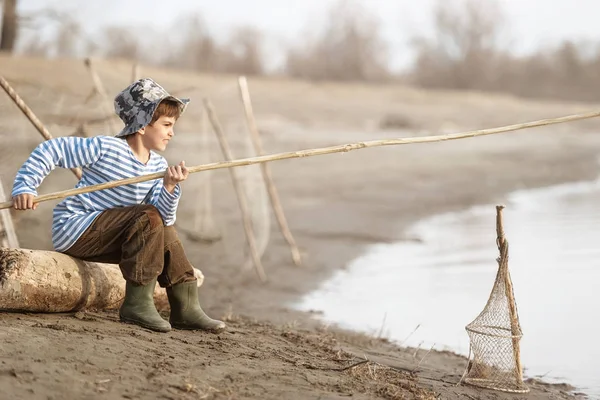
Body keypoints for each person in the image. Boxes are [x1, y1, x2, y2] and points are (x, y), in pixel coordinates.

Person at [11, 78, 226, 333]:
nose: (172, 132)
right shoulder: (107, 148)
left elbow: (163, 222)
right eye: (166, 125)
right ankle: (136, 305)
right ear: (143, 125)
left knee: (165, 230)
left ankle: (185, 309)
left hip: (116, 236)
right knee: (147, 215)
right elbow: (52, 149)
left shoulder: (158, 166)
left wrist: (169, 187)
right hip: (77, 230)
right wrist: (25, 186)